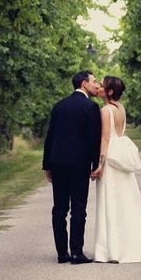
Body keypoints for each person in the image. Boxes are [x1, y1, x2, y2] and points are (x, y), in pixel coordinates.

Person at [91, 76, 141, 263]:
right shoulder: (121, 108)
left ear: (110, 91)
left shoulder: (106, 110)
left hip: (111, 160)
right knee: (127, 201)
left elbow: (105, 139)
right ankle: (129, 245)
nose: (99, 88)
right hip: (122, 160)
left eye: (102, 85)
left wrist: (100, 164)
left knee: (110, 201)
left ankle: (112, 250)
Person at [43, 70, 101, 264]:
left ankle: (62, 253)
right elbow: (93, 140)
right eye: (94, 81)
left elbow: (50, 137)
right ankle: (76, 252)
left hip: (58, 162)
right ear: (84, 83)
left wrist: (47, 165)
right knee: (78, 208)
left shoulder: (58, 106)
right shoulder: (91, 107)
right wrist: (95, 165)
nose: (96, 85)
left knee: (59, 208)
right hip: (79, 164)